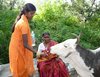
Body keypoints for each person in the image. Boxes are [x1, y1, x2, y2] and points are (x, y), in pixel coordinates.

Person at [9, 3, 36, 77]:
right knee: (20, 69)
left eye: (34, 13)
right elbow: (25, 44)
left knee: (24, 67)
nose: (32, 15)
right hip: (17, 49)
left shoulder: (23, 20)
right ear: (26, 13)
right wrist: (36, 52)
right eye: (31, 13)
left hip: (18, 46)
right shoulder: (23, 24)